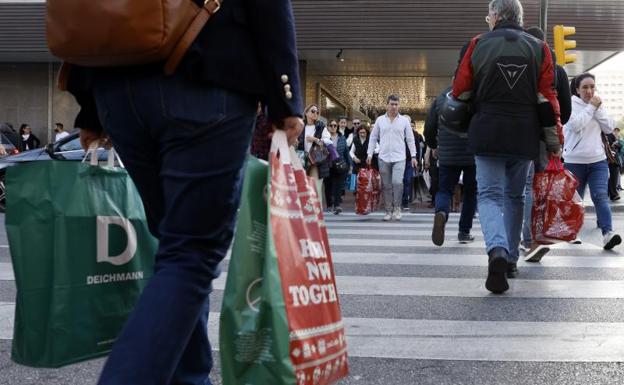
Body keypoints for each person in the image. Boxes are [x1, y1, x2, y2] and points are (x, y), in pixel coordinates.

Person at [66, 1, 304, 383]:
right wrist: (285, 96)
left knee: (175, 250)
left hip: (117, 88)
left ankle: (190, 378)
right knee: (191, 253)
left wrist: (91, 105)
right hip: (205, 74)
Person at [453, 0, 562, 293]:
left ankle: (497, 250)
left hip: (487, 129)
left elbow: (460, 89)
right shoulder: (540, 48)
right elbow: (547, 98)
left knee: (489, 195)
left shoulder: (476, 44)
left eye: (488, 15)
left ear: (497, 16)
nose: (487, 19)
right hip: (524, 134)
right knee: (515, 196)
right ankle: (511, 259)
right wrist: (554, 140)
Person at [521, 26, 573, 256]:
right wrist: (555, 136)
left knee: (523, 187)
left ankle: (528, 239)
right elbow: (566, 109)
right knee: (542, 187)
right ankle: (540, 235)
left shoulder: (522, 66)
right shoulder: (557, 71)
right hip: (547, 137)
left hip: (521, 135)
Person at [563, 73, 621, 250]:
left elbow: (609, 127)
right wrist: (591, 108)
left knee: (600, 196)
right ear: (577, 90)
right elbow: (575, 125)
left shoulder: (597, 105)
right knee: (575, 200)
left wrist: (598, 108)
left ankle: (608, 234)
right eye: (585, 87)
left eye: (592, 87)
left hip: (598, 161)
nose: (589, 91)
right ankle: (572, 233)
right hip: (574, 162)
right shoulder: (570, 104)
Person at [425, 86, 477, 246]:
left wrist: (433, 145)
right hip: (472, 153)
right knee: (470, 193)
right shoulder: (476, 95)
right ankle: (464, 232)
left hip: (447, 154)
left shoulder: (441, 97)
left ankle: (441, 213)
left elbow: (429, 126)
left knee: (445, 190)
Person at [367, 95, 418, 221]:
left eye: (396, 104)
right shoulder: (380, 120)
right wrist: (369, 154)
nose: (394, 106)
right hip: (383, 157)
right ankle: (388, 210)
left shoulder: (404, 121)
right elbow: (373, 138)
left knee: (397, 182)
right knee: (387, 185)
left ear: (398, 105)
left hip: (400, 157)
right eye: (391, 104)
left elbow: (410, 139)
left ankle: (397, 208)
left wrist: (413, 156)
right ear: (387, 105)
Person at [324, 120, 351, 214]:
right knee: (328, 186)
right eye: (331, 125)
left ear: (337, 127)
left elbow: (346, 152)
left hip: (340, 165)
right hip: (328, 165)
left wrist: (349, 165)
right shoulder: (324, 138)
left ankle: (337, 205)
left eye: (335, 125)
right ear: (327, 127)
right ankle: (329, 205)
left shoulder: (342, 138)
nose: (333, 127)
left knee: (338, 185)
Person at [298, 103, 331, 180]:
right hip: (302, 160)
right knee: (303, 186)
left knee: (315, 187)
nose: (315, 113)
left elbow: (328, 142)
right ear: (306, 113)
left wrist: (315, 139)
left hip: (316, 161)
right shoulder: (301, 126)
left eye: (317, 112)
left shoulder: (321, 126)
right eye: (313, 111)